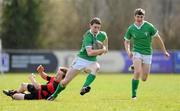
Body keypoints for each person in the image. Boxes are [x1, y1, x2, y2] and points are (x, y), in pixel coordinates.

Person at [47, 17, 108, 101]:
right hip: (80, 60)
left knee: (96, 67)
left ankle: (84, 87)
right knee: (65, 82)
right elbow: (89, 52)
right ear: (90, 25)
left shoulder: (103, 35)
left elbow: (105, 45)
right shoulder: (88, 36)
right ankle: (54, 95)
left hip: (91, 61)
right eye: (95, 27)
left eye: (98, 27)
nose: (96, 29)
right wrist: (102, 50)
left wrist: (104, 48)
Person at [124, 8, 170, 99]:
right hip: (137, 52)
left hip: (148, 53)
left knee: (144, 78)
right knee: (137, 72)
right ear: (134, 17)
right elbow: (126, 41)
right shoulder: (131, 28)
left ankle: (136, 65)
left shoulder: (149, 26)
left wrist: (164, 51)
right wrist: (128, 52)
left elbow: (158, 38)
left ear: (143, 17)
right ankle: (134, 95)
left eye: (141, 17)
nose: (139, 18)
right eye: (138, 16)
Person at [2, 65, 68, 100]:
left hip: (37, 96)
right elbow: (45, 77)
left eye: (59, 75)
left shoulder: (54, 86)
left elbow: (38, 87)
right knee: (23, 85)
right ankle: (13, 92)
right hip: (37, 91)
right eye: (57, 73)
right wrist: (40, 71)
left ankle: (14, 94)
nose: (56, 75)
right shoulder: (55, 79)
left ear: (63, 78)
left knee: (15, 96)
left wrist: (32, 79)